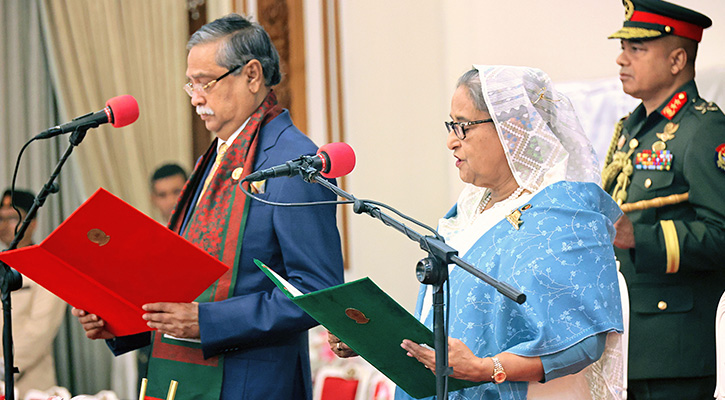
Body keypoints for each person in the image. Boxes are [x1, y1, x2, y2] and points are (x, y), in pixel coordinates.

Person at [72, 13, 344, 400]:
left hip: (251, 385)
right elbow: (185, 282)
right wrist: (119, 319)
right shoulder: (215, 158)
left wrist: (206, 321)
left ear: (252, 75)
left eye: (206, 83)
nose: (196, 97)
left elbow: (318, 293)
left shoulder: (292, 161)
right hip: (182, 379)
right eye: (191, 84)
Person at [330, 66, 624, 399]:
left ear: (511, 130)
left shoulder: (564, 210)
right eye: (450, 125)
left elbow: (583, 340)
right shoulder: (466, 211)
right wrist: (375, 339)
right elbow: (453, 315)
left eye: (462, 127)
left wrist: (486, 368)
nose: (451, 140)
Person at [603, 1, 725, 398]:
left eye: (636, 50)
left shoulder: (703, 129)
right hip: (629, 345)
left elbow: (721, 235)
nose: (621, 59)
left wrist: (639, 236)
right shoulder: (633, 128)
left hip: (677, 354)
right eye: (624, 47)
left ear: (676, 60)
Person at [0, 189, 66, 397]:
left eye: (12, 217)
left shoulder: (48, 266)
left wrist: (4, 369)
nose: (4, 225)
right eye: (0, 218)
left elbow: (40, 328)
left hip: (31, 385)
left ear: (33, 221)